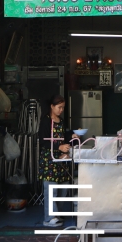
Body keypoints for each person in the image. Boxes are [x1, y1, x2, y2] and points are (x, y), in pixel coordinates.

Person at [37, 94, 77, 227]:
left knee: (63, 188)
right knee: (51, 189)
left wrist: (71, 135)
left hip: (61, 159)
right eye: (59, 107)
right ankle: (48, 218)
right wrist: (58, 147)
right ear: (52, 106)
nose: (61, 110)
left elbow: (63, 136)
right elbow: (43, 141)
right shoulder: (46, 121)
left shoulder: (61, 120)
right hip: (49, 160)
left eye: (63, 107)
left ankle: (56, 214)